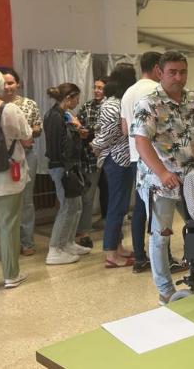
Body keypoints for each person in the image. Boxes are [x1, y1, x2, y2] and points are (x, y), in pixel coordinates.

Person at [131, 51, 194, 305]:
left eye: (183, 72)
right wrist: (163, 172)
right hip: (161, 182)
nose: (178, 77)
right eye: (172, 72)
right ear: (160, 72)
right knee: (161, 236)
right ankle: (165, 290)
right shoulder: (148, 104)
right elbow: (141, 143)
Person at [0, 68, 32, 290]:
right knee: (8, 226)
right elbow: (27, 139)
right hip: (8, 178)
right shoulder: (10, 109)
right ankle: (11, 275)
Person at [92, 65, 137, 268]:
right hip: (116, 159)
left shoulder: (118, 101)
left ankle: (117, 246)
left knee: (120, 205)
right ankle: (111, 253)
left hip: (122, 158)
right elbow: (109, 134)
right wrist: (95, 145)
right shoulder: (113, 104)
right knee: (116, 206)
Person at [120, 51, 161, 274]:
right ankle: (162, 257)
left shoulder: (128, 93)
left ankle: (139, 257)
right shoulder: (157, 89)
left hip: (136, 156)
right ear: (157, 68)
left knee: (141, 209)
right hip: (156, 157)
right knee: (160, 207)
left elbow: (124, 129)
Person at [44, 82, 92, 265]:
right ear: (68, 97)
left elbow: (68, 141)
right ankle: (54, 249)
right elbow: (57, 148)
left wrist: (77, 130)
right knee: (66, 207)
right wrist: (66, 170)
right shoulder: (54, 117)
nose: (78, 102)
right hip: (62, 168)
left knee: (76, 206)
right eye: (76, 98)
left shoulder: (64, 115)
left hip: (70, 166)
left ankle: (67, 243)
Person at [0, 66, 42, 256]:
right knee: (3, 203)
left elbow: (37, 128)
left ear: (18, 84)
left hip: (27, 154)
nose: (7, 87)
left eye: (11, 83)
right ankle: (8, 245)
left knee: (26, 201)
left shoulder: (29, 104)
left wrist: (29, 131)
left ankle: (27, 242)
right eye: (4, 83)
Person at [76, 76, 108, 248]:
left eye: (100, 88)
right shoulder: (87, 106)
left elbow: (103, 131)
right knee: (86, 194)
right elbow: (78, 124)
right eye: (95, 87)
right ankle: (82, 230)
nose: (97, 90)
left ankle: (86, 231)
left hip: (105, 157)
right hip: (87, 157)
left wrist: (88, 132)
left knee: (104, 193)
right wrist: (80, 129)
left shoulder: (110, 107)